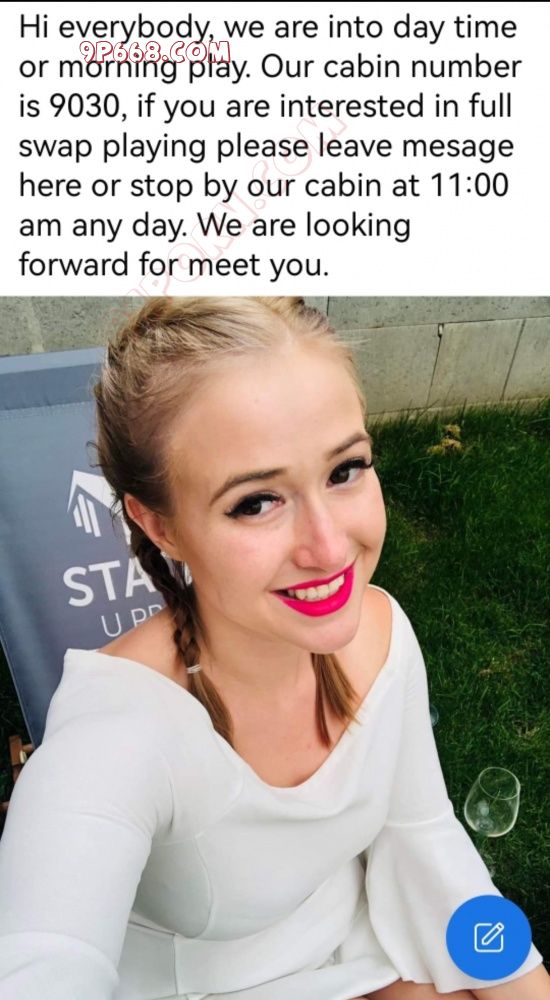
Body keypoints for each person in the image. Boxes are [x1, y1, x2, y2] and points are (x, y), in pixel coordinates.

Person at [0, 297, 547, 1000]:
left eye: (345, 469)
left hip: (350, 942)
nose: (329, 547)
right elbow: (42, 958)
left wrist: (520, 975)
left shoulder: (380, 631)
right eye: (256, 502)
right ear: (160, 526)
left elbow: (425, 837)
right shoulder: (116, 737)